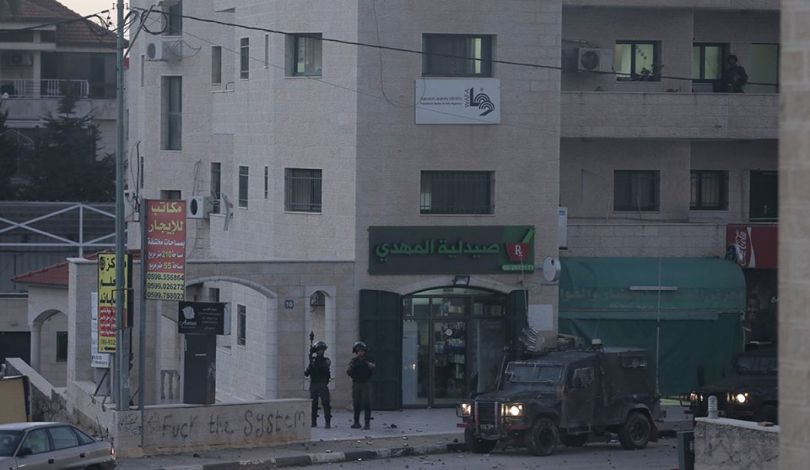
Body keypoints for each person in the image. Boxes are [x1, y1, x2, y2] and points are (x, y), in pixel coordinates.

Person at [347, 341, 375, 429]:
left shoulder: (369, 360)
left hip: (365, 383)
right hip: (356, 383)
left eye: (362, 351)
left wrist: (370, 366)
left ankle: (367, 424)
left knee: (367, 403)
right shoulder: (354, 361)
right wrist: (350, 369)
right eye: (358, 351)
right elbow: (349, 372)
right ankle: (356, 422)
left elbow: (374, 370)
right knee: (356, 403)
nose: (360, 352)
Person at [304, 340, 332, 428]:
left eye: (322, 350)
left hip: (322, 384)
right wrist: (310, 361)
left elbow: (323, 368)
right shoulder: (313, 361)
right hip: (314, 384)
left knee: (326, 403)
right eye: (319, 350)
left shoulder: (326, 360)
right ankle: (313, 422)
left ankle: (327, 422)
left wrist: (312, 361)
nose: (321, 351)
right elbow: (306, 373)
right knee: (314, 404)